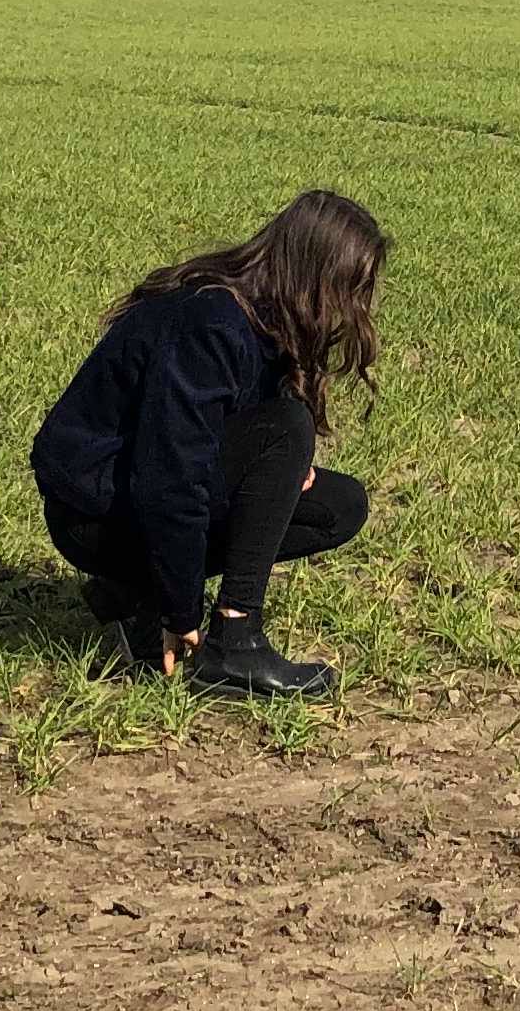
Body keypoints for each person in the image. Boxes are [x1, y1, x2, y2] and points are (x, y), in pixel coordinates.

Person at [30, 190, 384, 701]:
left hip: (133, 497)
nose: (354, 307)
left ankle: (133, 595)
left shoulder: (258, 321)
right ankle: (234, 641)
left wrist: (281, 472)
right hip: (94, 517)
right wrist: (182, 610)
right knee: (286, 427)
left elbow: (224, 439)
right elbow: (170, 475)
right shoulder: (210, 322)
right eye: (350, 287)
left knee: (336, 506)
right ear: (314, 273)